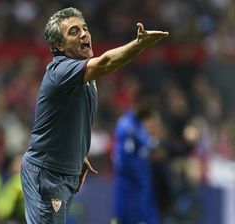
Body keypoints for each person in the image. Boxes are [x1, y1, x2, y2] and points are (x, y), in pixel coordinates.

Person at [20, 7, 169, 224]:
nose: (83, 34)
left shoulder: (84, 76)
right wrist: (139, 45)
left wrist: (79, 154)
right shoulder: (61, 70)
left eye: (85, 28)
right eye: (73, 31)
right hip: (47, 173)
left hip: (63, 171)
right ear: (59, 45)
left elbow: (65, 118)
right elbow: (106, 62)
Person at [112, 91, 163, 224]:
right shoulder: (126, 125)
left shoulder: (140, 126)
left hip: (142, 184)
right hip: (128, 184)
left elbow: (149, 148)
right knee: (125, 218)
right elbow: (124, 159)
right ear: (141, 104)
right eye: (149, 109)